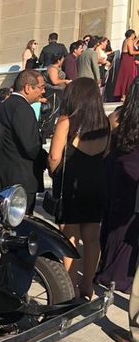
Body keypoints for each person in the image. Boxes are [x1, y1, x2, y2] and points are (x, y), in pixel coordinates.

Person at [47, 78, 110, 300]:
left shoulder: (67, 121)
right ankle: (87, 287)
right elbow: (106, 154)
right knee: (92, 238)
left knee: (69, 238)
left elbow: (54, 157)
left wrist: (54, 172)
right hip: (96, 184)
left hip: (71, 186)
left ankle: (70, 288)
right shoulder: (105, 123)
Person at [96, 77, 139, 297]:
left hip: (119, 168)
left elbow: (108, 147)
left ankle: (110, 270)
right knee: (129, 223)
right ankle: (122, 274)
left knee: (115, 220)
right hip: (130, 171)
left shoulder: (120, 116)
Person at [0, 69, 46, 215]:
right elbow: (31, 146)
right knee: (21, 228)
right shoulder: (22, 108)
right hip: (21, 181)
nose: (43, 91)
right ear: (28, 88)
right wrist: (47, 161)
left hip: (0, 178)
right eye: (41, 87)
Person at [113, 30, 139, 101]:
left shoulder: (125, 40)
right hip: (128, 60)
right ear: (132, 34)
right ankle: (125, 94)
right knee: (129, 76)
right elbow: (131, 52)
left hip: (126, 59)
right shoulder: (129, 40)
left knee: (125, 76)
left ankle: (124, 95)